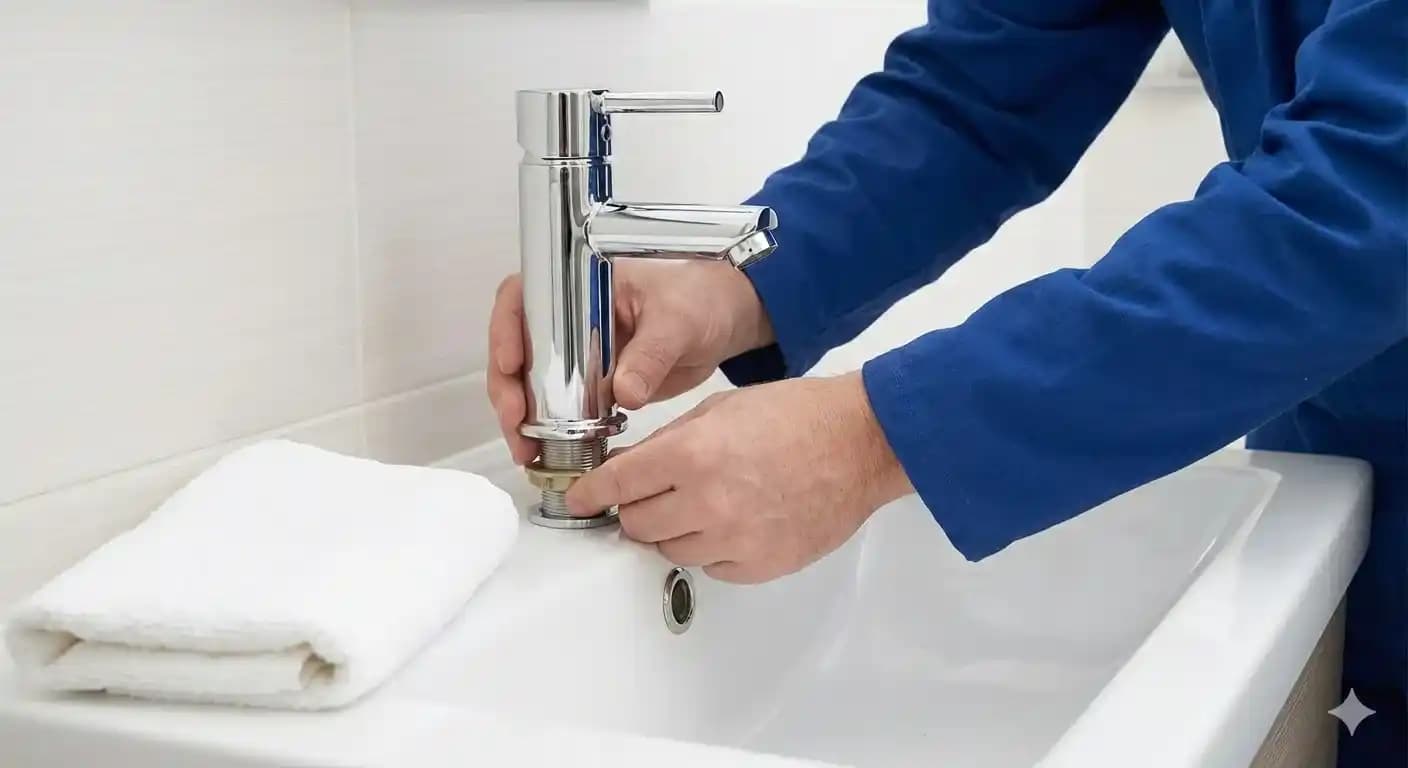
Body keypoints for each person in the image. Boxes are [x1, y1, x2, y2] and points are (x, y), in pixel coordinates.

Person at [488, 1, 1405, 763]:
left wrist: (872, 437)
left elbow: (1377, 184)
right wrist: (737, 277)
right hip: (1351, 449)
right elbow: (981, 87)